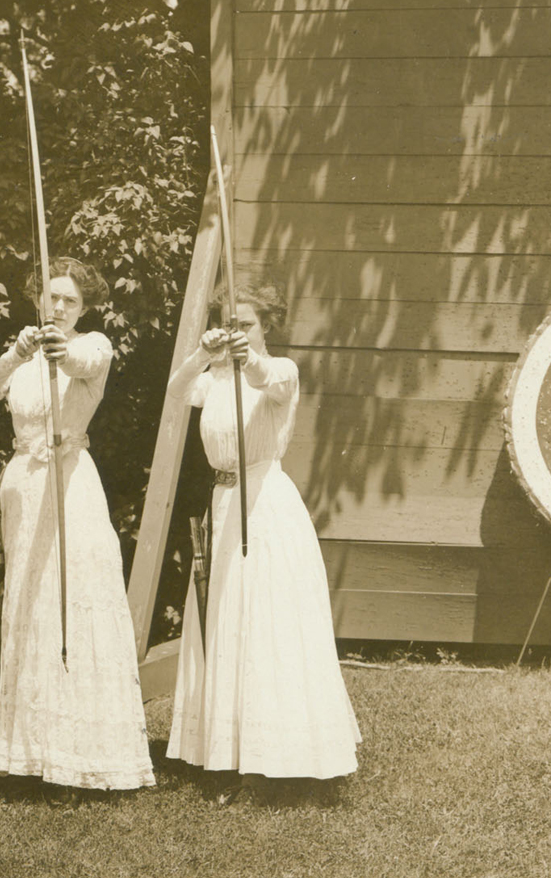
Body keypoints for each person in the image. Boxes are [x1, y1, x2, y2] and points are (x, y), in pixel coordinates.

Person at [0, 257, 154, 794]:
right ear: (38, 300)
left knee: (69, 598)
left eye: (71, 300)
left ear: (84, 307)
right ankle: (20, 747)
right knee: (23, 598)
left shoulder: (94, 344)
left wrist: (56, 349)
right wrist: (19, 351)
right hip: (22, 485)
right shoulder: (24, 354)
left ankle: (81, 750)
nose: (60, 307)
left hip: (69, 483)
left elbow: (80, 362)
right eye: (52, 298)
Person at [165, 281, 360, 797]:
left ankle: (279, 755)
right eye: (228, 323)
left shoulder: (280, 371)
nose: (236, 332)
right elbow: (178, 389)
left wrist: (245, 355)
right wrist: (204, 355)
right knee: (227, 623)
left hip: (266, 507)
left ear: (266, 325)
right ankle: (227, 755)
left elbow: (266, 375)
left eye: (245, 323)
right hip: (224, 505)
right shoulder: (216, 380)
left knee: (265, 623)